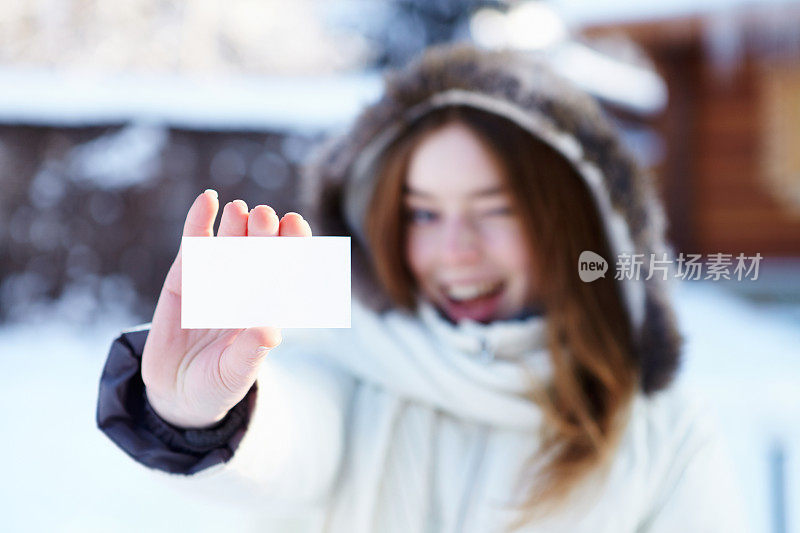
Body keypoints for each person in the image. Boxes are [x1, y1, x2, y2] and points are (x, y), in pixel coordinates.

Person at [96, 43, 747, 532]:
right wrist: (196, 416)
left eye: (496, 209)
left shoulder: (664, 432)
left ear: (574, 220)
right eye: (424, 212)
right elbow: (291, 442)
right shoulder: (348, 359)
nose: (456, 249)